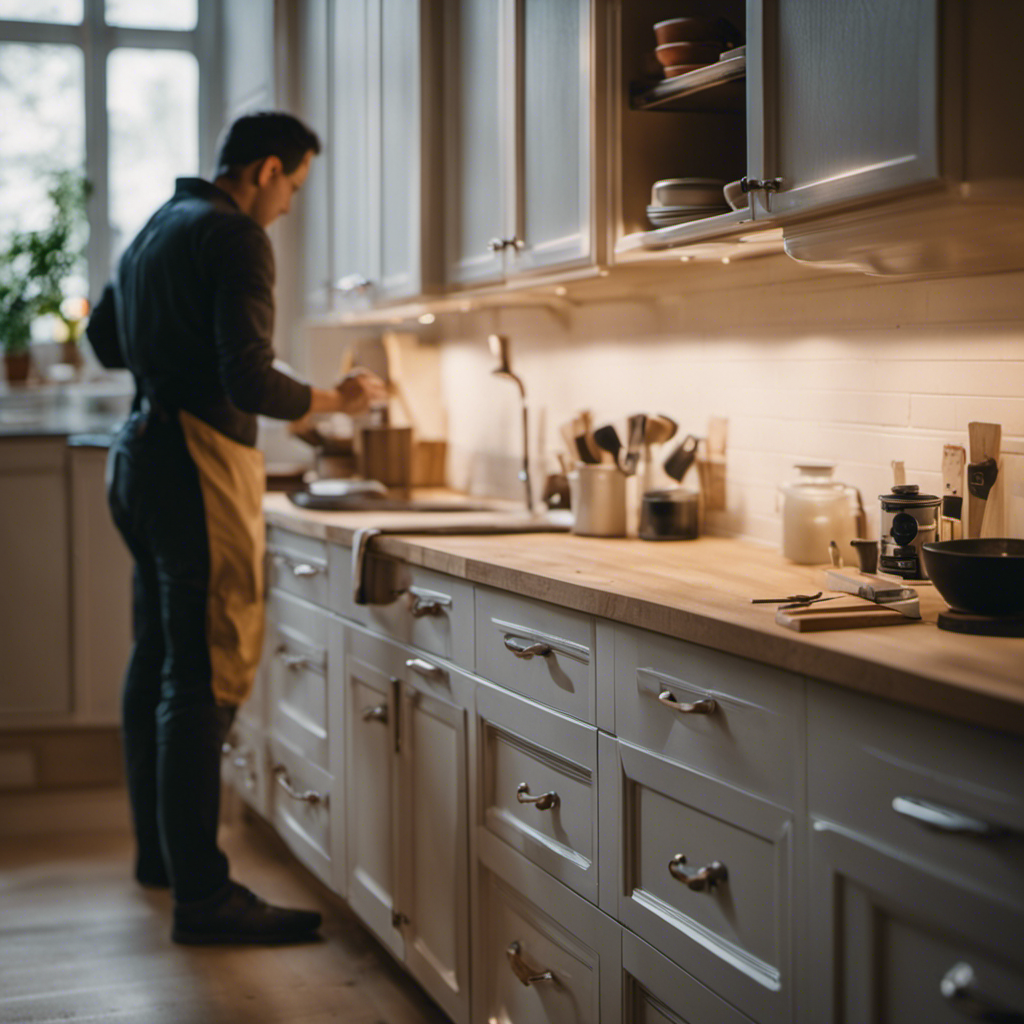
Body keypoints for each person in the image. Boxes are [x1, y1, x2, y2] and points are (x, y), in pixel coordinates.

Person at [86, 111, 386, 945]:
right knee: (205, 673)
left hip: (137, 457)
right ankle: (205, 896)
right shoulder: (234, 236)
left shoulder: (156, 226)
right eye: (292, 185)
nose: (290, 206)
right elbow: (248, 378)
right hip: (192, 461)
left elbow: (103, 339)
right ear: (262, 170)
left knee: (157, 660)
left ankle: (164, 859)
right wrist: (337, 399)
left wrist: (167, 344)